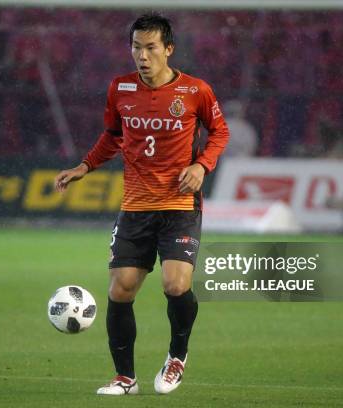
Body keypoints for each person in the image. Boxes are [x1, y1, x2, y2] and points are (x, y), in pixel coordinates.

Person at [54, 13, 229, 395]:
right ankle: (125, 378)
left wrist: (202, 165)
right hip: (135, 208)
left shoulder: (195, 92)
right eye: (136, 47)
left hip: (180, 206)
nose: (142, 56)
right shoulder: (120, 89)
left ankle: (177, 357)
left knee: (175, 284)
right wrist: (85, 166)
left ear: (168, 49)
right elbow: (113, 136)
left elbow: (220, 131)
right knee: (121, 290)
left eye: (150, 47)